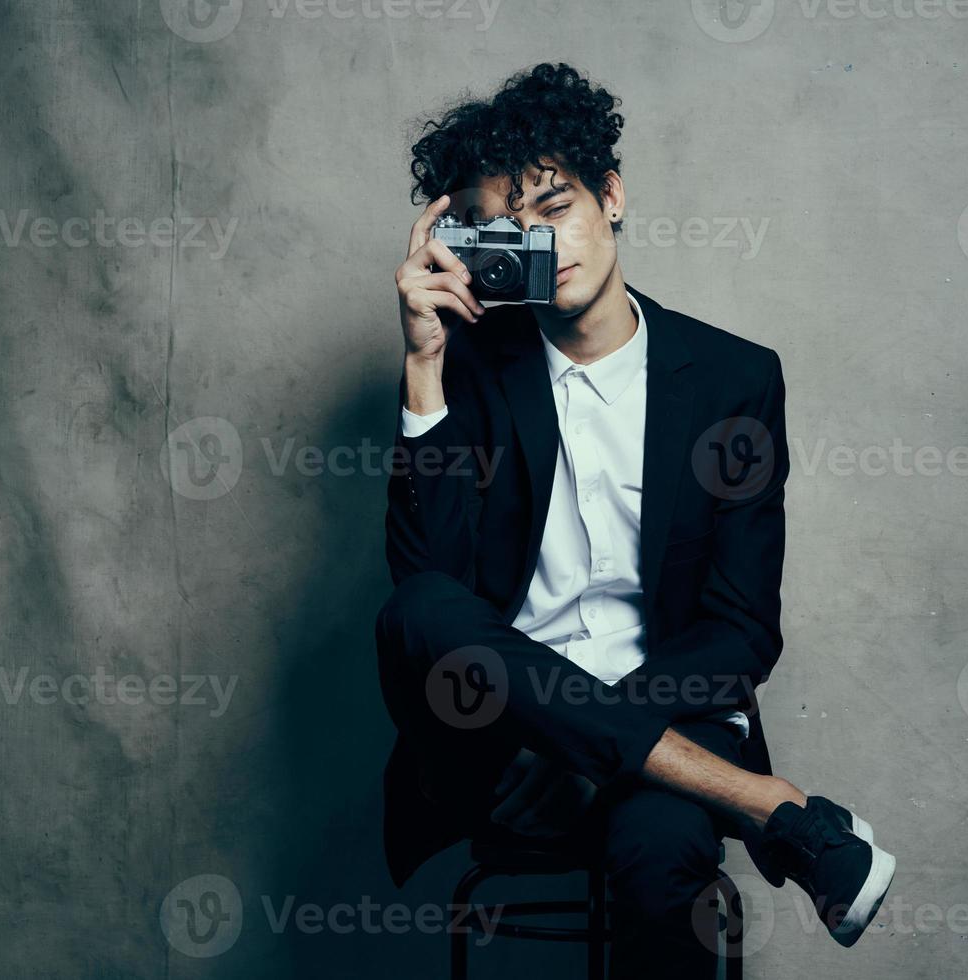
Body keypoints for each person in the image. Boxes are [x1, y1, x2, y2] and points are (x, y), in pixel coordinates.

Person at [376, 62, 894, 977]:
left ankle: (724, 794)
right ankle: (779, 813)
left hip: (665, 732)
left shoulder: (735, 380)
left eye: (555, 206)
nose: (542, 240)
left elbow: (741, 632)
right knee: (415, 607)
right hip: (500, 745)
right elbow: (429, 594)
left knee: (663, 851)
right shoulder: (467, 367)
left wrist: (586, 740)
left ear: (610, 196)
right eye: (509, 229)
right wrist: (423, 364)